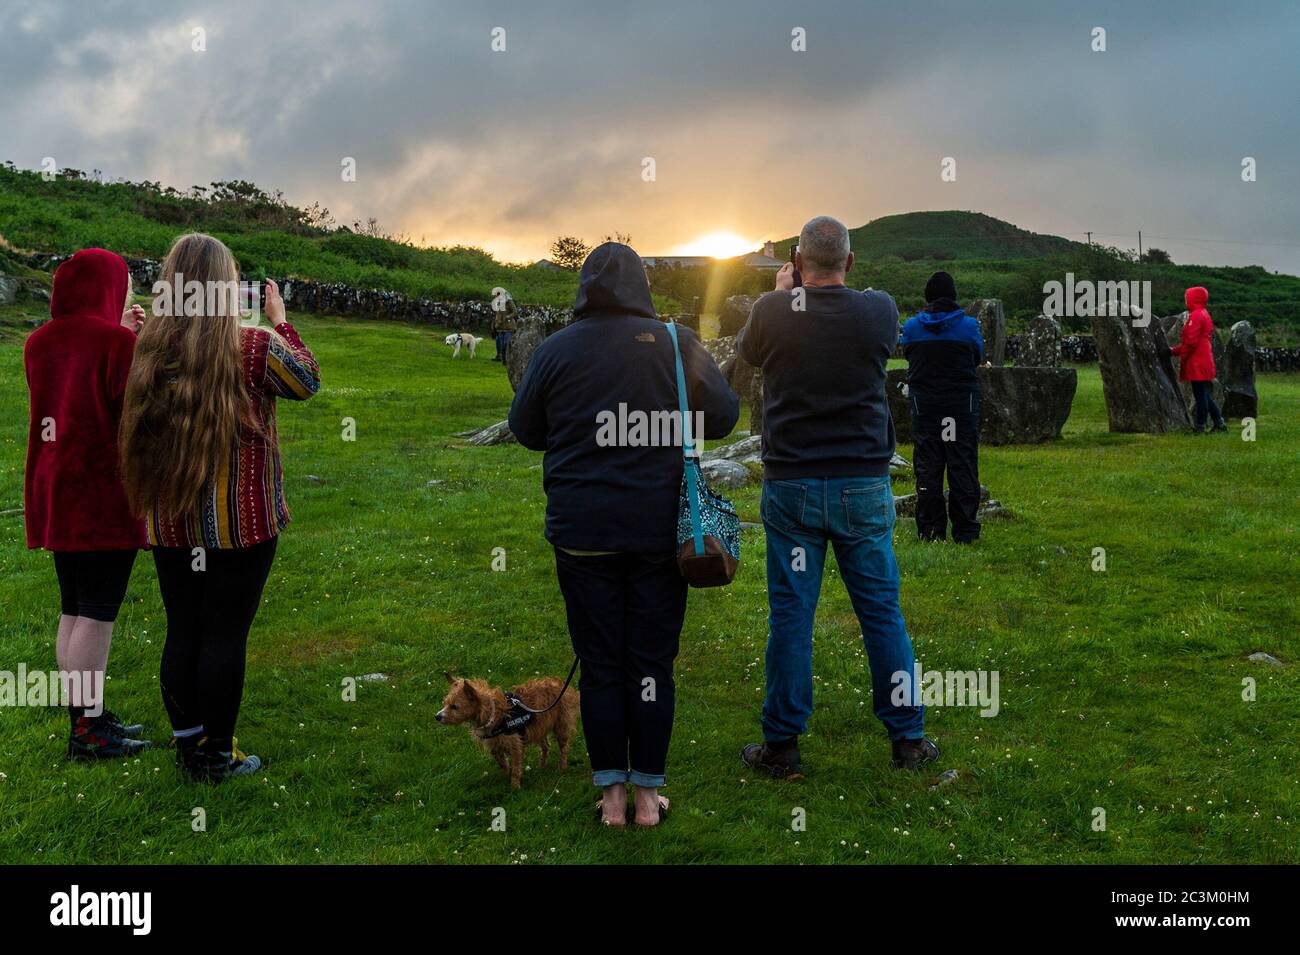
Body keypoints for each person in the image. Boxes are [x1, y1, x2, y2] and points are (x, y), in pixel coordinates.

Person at [509, 242, 738, 827]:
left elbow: (526, 430)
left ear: (584, 288)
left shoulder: (557, 351)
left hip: (582, 533)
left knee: (600, 663)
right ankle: (645, 799)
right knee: (651, 664)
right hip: (659, 534)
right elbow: (725, 414)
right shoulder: (674, 343)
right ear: (643, 286)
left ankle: (611, 799)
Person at [736, 216, 937, 778]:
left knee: (792, 616)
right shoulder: (879, 309)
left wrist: (783, 295)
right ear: (850, 261)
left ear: (797, 262)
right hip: (861, 484)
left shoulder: (773, 310)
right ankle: (908, 741)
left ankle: (783, 745)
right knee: (881, 614)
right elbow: (861, 309)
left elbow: (751, 354)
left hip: (792, 483)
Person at [119, 233, 320, 783]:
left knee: (183, 627)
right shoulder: (252, 348)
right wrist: (281, 320)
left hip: (169, 516)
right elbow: (306, 379)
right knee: (225, 633)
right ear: (227, 287)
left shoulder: (149, 348)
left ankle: (189, 746)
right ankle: (216, 754)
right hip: (241, 522)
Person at [24, 249, 151, 759]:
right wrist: (130, 342)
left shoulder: (37, 343)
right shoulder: (117, 344)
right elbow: (132, 409)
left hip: (56, 488)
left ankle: (86, 716)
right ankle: (88, 732)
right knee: (98, 615)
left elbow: (75, 374)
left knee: (72, 607)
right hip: (102, 494)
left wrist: (117, 331)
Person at [900, 271, 984, 543]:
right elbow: (977, 357)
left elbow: (907, 354)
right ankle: (966, 530)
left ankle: (931, 530)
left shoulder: (912, 327)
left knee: (928, 465)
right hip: (961, 405)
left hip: (926, 405)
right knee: (963, 464)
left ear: (927, 297)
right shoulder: (969, 326)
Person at [1171, 286, 1226, 433]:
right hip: (1203, 358)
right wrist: (1174, 351)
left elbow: (1191, 342)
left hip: (1197, 360)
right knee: (1204, 394)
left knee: (1200, 395)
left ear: (1193, 299)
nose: (1185, 300)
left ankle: (1200, 427)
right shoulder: (1204, 313)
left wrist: (1178, 353)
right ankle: (1219, 424)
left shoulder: (1196, 316)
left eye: (1187, 297)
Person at [492, 291, 518, 364]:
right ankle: (501, 359)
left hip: (509, 327)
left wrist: (508, 317)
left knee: (506, 344)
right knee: (499, 343)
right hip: (500, 327)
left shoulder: (509, 302)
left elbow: (515, 312)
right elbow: (498, 314)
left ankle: (507, 360)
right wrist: (496, 323)